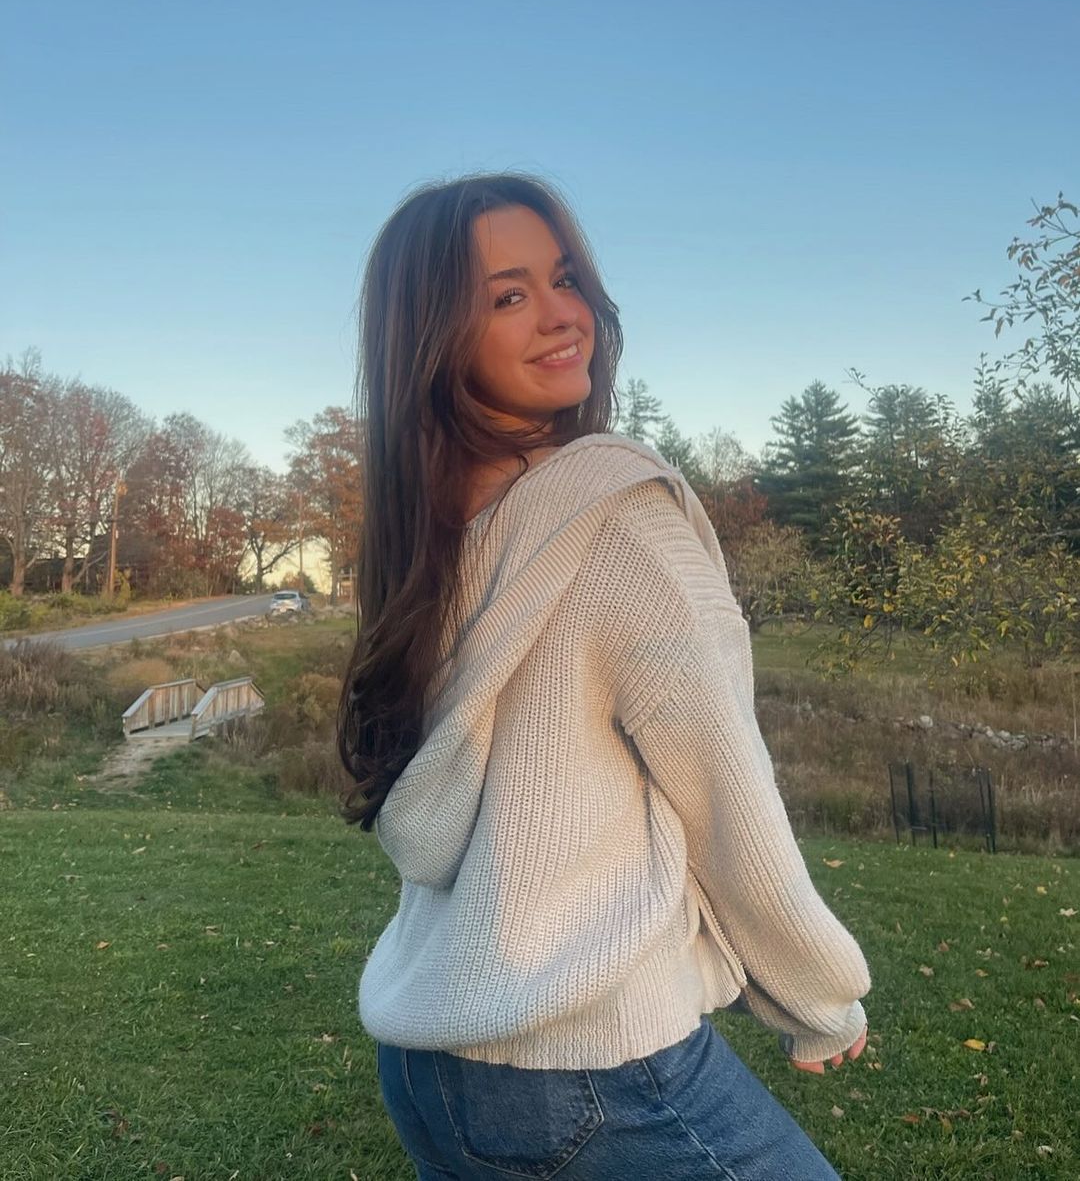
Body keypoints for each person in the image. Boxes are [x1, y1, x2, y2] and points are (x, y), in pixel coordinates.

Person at [339, 171, 871, 1180]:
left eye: (567, 278)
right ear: (435, 339)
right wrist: (817, 991)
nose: (562, 315)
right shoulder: (617, 519)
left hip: (429, 1068)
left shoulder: (432, 540)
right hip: (590, 1069)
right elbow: (724, 786)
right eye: (509, 295)